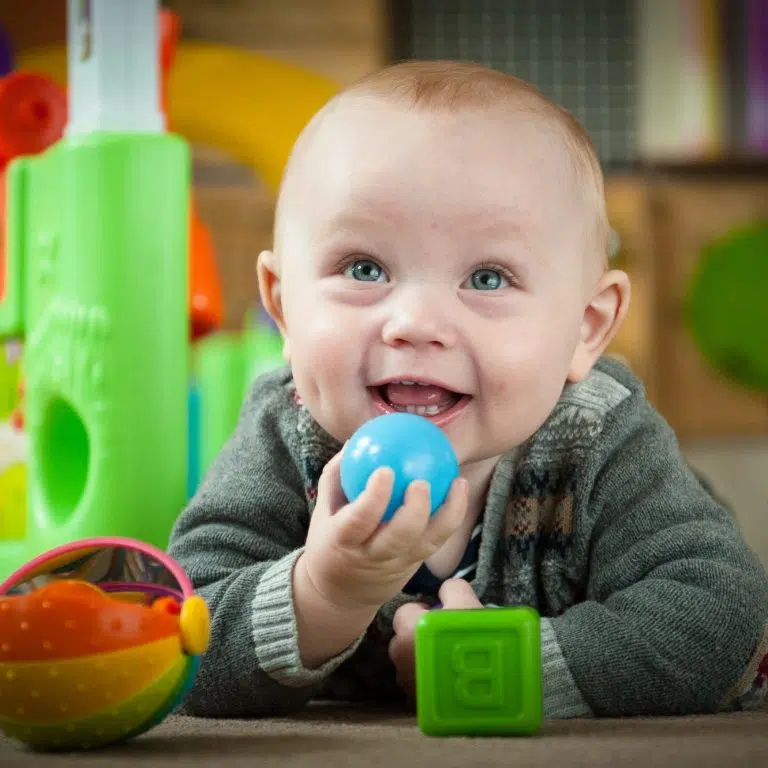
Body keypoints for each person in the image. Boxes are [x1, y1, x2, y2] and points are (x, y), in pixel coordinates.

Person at [168, 60, 768, 718]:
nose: (416, 324)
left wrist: (509, 667)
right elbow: (181, 632)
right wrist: (324, 595)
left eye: (487, 278)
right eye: (364, 268)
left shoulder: (599, 434)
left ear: (585, 330)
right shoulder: (287, 429)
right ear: (283, 310)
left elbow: (721, 616)